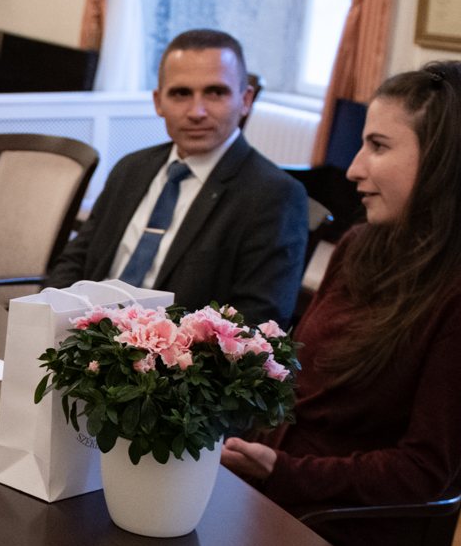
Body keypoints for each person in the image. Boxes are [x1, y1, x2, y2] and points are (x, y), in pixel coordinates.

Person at [220, 60, 461, 546]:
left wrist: (285, 472)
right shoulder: (361, 245)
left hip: (339, 534)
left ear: (444, 162)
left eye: (378, 147)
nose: (353, 169)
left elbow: (421, 472)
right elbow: (298, 382)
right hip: (271, 493)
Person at [43, 29, 308, 329]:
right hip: (81, 338)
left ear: (245, 100)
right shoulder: (131, 168)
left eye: (215, 92)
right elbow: (75, 261)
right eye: (181, 94)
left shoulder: (274, 195)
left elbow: (255, 323)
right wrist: (51, 320)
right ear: (158, 102)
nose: (197, 112)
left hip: (173, 355)